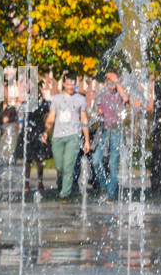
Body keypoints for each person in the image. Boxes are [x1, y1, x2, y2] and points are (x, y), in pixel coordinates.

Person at [42, 72, 90, 200]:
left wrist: (87, 140)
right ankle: (65, 186)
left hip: (73, 136)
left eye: (73, 84)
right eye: (68, 84)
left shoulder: (81, 99)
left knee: (68, 165)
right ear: (63, 84)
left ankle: (64, 194)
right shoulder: (56, 99)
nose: (71, 86)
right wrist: (46, 131)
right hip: (57, 137)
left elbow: (84, 119)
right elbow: (51, 117)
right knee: (59, 166)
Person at [90, 72, 128, 200]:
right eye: (110, 82)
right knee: (96, 160)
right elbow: (96, 111)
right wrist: (98, 112)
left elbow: (126, 99)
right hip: (102, 130)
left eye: (114, 83)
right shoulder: (101, 95)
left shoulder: (119, 95)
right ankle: (104, 186)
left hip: (116, 131)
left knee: (113, 163)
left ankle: (110, 193)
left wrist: (117, 81)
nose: (112, 85)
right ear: (106, 83)